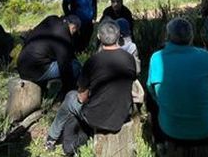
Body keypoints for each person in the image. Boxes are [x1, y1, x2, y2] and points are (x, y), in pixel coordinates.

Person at [146, 18, 208, 151]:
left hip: (170, 129)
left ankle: (160, 143)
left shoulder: (156, 58)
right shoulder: (205, 57)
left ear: (168, 37)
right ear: (191, 37)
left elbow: (151, 89)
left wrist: (161, 102)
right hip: (203, 131)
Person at [45, 20, 138, 153]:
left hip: (96, 118)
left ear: (99, 37)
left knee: (70, 97)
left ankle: (51, 139)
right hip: (121, 115)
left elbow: (82, 98)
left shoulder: (93, 61)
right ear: (119, 36)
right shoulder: (129, 58)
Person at [17, 14, 81, 93]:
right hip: (34, 72)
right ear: (73, 27)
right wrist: (70, 87)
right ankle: (62, 94)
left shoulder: (51, 19)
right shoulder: (63, 35)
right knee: (75, 66)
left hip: (21, 64)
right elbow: (64, 65)